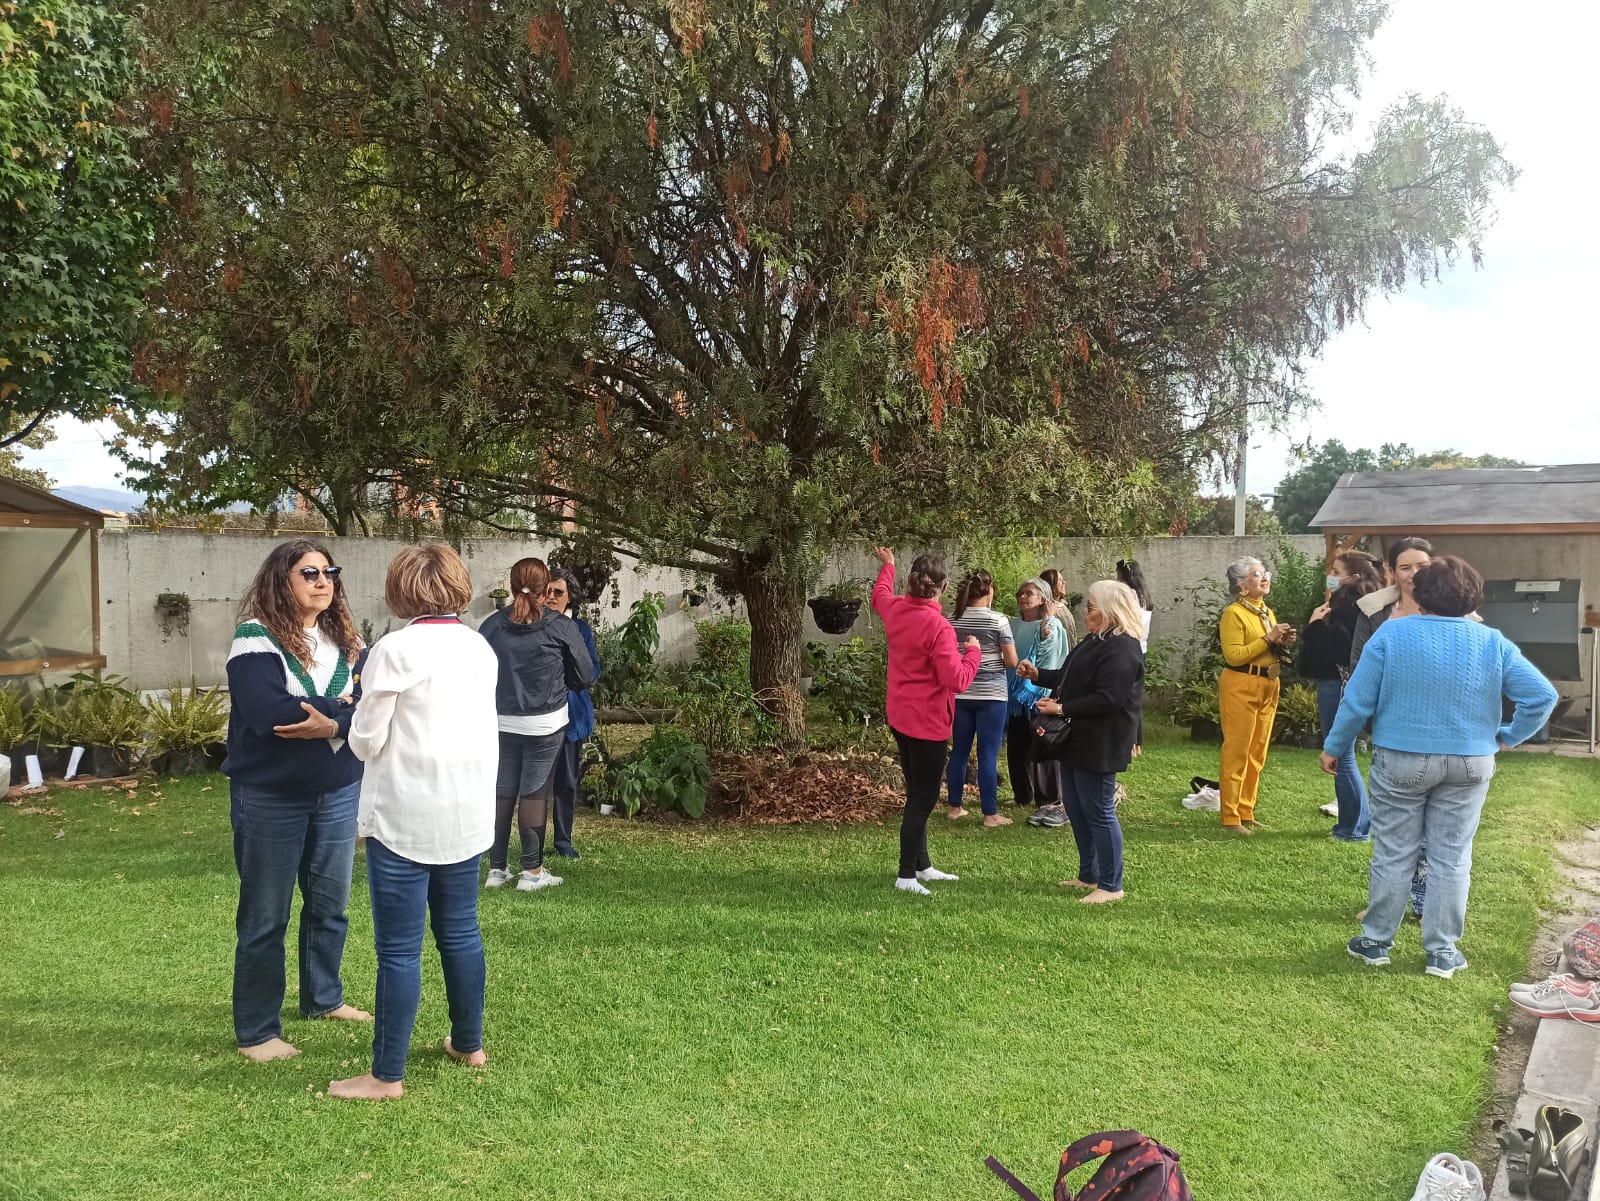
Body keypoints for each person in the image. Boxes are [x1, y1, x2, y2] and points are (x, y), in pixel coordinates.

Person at [1324, 555, 1557, 978]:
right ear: (1472, 596)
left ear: (1420, 592)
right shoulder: (1492, 641)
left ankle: (1376, 941)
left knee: (1394, 853)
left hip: (1400, 759)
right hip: (1471, 762)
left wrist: (1335, 747)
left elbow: (1357, 701)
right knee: (1452, 857)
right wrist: (1507, 736)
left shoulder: (1392, 635)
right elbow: (1541, 696)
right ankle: (1442, 952)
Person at [330, 543, 500, 1100]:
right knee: (461, 931)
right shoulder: (480, 647)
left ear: (401, 590)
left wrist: (348, 721)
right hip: (467, 812)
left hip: (404, 815)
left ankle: (386, 1076)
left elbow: (366, 739)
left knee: (399, 950)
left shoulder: (394, 650)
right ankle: (468, 1043)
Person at [225, 540, 371, 1062]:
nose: (322, 579)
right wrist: (341, 709)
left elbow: (372, 710)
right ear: (280, 580)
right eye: (308, 571)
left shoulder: (348, 640)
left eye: (329, 571)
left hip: (336, 791)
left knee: (331, 907)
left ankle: (323, 999)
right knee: (266, 915)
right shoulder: (254, 639)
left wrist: (331, 716)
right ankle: (258, 1031)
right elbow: (270, 713)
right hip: (270, 797)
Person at [1018, 580, 1145, 904]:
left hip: (1102, 740)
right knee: (1076, 805)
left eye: (1091, 607)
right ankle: (1088, 874)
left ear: (1110, 612)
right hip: (1079, 738)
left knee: (1099, 810)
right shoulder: (1096, 640)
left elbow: (1109, 698)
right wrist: (1037, 675)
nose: (1085, 611)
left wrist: (1061, 708)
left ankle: (1111, 885)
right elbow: (1069, 675)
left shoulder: (1123, 647)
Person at [478, 558, 596, 891]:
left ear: (513, 586)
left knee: (502, 791)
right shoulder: (561, 626)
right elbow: (584, 675)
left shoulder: (491, 625)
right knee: (533, 792)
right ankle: (531, 873)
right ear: (545, 588)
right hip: (545, 723)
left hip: (500, 721)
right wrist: (561, 683)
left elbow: (478, 672)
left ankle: (496, 870)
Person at [871, 546, 981, 896]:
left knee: (915, 791)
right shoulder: (939, 627)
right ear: (944, 588)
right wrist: (974, 652)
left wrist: (887, 565)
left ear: (911, 581)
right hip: (927, 723)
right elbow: (958, 680)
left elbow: (880, 595)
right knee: (923, 797)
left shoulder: (895, 610)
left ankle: (923, 865)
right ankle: (906, 875)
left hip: (900, 716)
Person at [1351, 537, 1439, 915]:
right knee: (1394, 828)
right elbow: (1358, 669)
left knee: (1436, 829)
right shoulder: (1374, 612)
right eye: (1405, 567)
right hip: (1392, 728)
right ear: (1391, 572)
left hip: (1442, 730)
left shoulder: (1454, 607)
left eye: (1421, 565)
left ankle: (1423, 899)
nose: (1414, 573)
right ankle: (1390, 901)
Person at [1298, 550, 1383, 841]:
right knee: (1344, 755)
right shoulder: (1369, 606)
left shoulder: (1347, 610)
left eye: (1336, 571)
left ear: (1353, 577)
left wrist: (1314, 626)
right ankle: (1357, 824)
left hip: (1337, 685)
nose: (1331, 576)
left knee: (1341, 756)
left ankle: (1354, 828)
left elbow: (1329, 655)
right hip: (1347, 685)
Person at [1217, 557, 1296, 834]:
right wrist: (1268, 638)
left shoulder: (1266, 612)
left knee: (1257, 752)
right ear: (1241, 585)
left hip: (1268, 685)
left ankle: (1246, 810)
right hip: (1241, 684)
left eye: (1265, 573)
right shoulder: (1233, 614)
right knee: (1237, 750)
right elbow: (1234, 655)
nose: (1265, 578)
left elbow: (1267, 647)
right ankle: (1230, 816)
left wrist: (1281, 642)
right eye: (1256, 574)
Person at [944, 569, 1018, 827]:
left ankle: (955, 807)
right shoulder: (998, 620)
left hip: (960, 693)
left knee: (959, 752)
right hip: (992, 697)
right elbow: (1011, 660)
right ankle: (990, 814)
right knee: (988, 754)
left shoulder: (951, 620)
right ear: (990, 590)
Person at [545, 568, 600, 860]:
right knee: (535, 787)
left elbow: (593, 669)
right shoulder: (532, 627)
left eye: (558, 592)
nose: (551, 597)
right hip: (537, 719)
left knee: (566, 783)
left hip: (570, 718)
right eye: (547, 591)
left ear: (570, 598)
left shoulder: (580, 630)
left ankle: (563, 842)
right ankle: (533, 843)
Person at [1007, 578, 1070, 826]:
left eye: (1029, 593)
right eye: (1020, 593)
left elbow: (1049, 658)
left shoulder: (1052, 625)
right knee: (1017, 745)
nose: (1023, 597)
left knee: (1044, 745)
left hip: (1040, 694)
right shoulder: (1013, 624)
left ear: (1042, 598)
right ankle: (1022, 793)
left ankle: (1050, 798)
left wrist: (1045, 628)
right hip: (1015, 695)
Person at [1116, 559, 1155, 653]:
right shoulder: (1143, 594)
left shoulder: (1126, 593)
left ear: (1124, 574)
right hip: (1141, 646)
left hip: (1127, 647)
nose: (1117, 578)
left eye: (1118, 574)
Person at [1040, 568, 1078, 641]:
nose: (1064, 582)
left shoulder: (1062, 605)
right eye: (1060, 580)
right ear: (1050, 584)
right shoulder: (1045, 608)